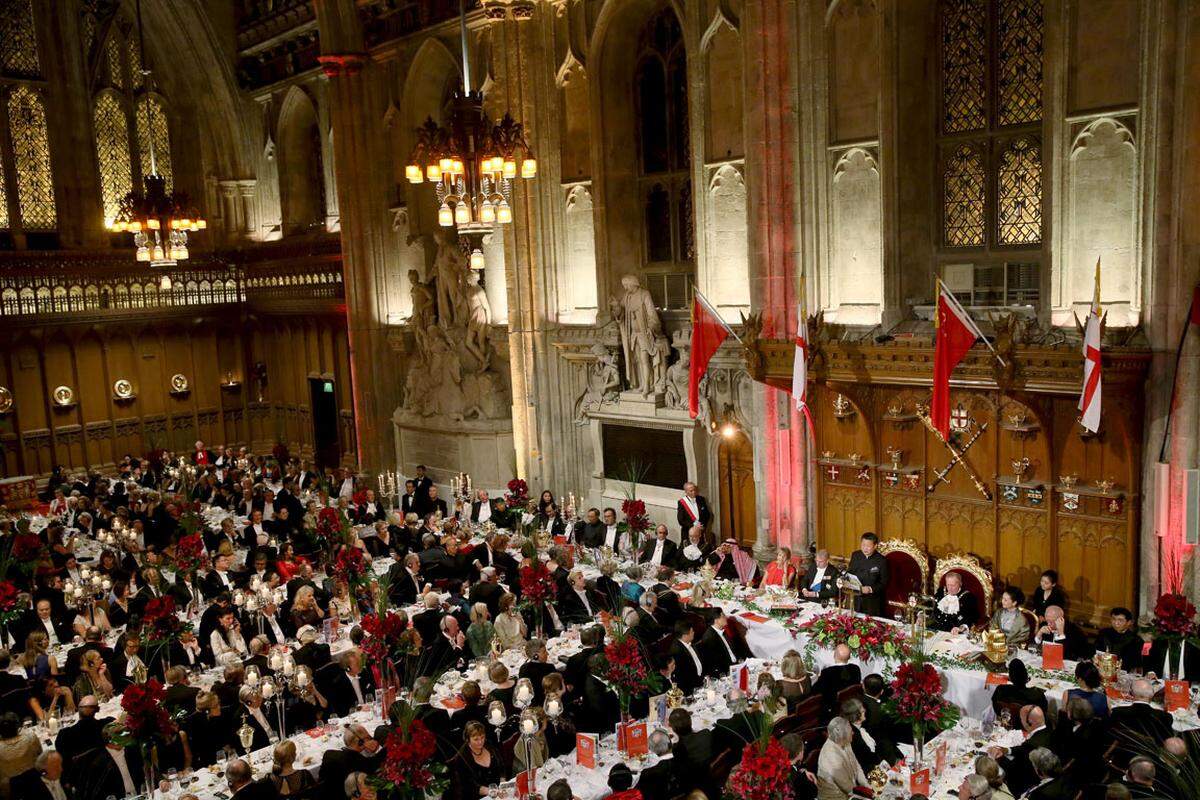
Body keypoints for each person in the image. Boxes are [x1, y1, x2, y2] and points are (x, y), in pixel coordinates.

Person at [448, 721, 504, 800]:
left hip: (499, 792)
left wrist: (503, 783)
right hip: (478, 796)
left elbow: (501, 767)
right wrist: (491, 791)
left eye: (482, 737)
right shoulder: (462, 758)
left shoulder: (488, 744)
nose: (480, 742)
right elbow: (469, 786)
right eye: (476, 739)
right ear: (468, 739)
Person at [817, 717, 867, 800]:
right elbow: (848, 788)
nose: (853, 733)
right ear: (842, 735)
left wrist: (866, 785)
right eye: (850, 731)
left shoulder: (845, 741)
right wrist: (868, 794)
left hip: (852, 791)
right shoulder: (830, 756)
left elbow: (856, 766)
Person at [0, 712, 40, 800]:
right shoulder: (30, 737)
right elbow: (39, 754)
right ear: (18, 727)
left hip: (11, 791)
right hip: (35, 784)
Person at [847, 533, 888, 616]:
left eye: (868, 546)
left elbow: (884, 582)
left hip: (872, 601)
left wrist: (870, 589)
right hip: (856, 598)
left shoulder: (882, 561)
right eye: (863, 545)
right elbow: (850, 572)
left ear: (875, 546)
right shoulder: (856, 555)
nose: (865, 548)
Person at [1093, 607, 1145, 672]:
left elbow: (1137, 664)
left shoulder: (1136, 640)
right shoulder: (1103, 633)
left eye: (1120, 620)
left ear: (1129, 622)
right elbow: (1095, 652)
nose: (1116, 623)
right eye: (1113, 619)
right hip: (1102, 669)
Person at [812, 644, 862, 711]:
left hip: (832, 708)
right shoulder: (855, 669)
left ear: (834, 655)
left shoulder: (828, 672)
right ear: (849, 657)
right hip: (850, 704)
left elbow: (815, 691)